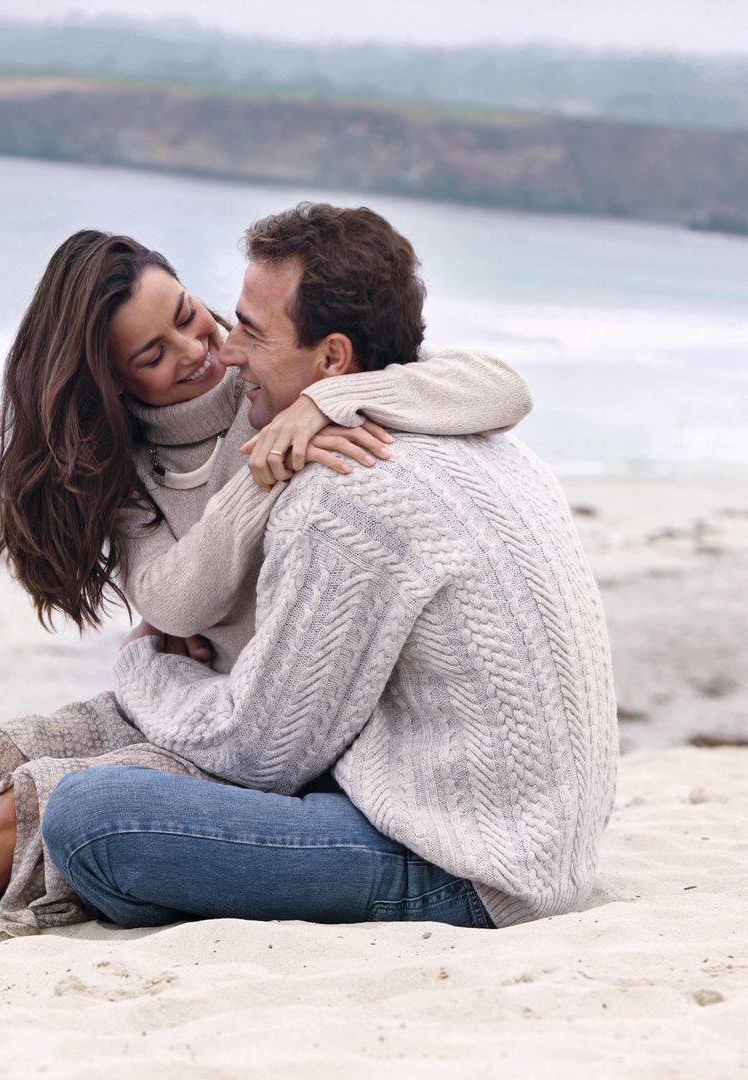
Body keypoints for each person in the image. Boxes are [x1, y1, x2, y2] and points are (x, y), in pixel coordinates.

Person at [0, 215, 534, 942]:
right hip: (203, 691)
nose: (200, 351)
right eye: (153, 355)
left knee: (26, 804)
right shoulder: (129, 468)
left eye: (191, 316)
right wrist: (259, 483)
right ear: (115, 384)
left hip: (268, 718)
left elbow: (493, 382)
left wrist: (325, 405)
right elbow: (175, 598)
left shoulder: (277, 378)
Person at [40, 203, 618, 930]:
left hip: (462, 868)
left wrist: (144, 664)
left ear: (333, 360)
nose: (225, 350)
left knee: (90, 818)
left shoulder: (344, 491)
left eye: (251, 329)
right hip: (546, 844)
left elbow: (257, 753)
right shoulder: (478, 438)